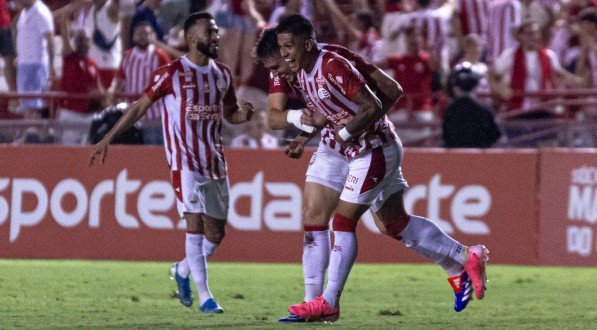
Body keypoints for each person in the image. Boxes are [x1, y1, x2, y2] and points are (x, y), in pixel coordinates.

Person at [275, 14, 488, 322]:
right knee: (394, 224)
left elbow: (373, 104)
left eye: (288, 46)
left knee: (343, 222)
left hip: (373, 150)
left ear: (307, 44)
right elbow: (331, 112)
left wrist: (346, 133)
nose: (285, 54)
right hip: (365, 150)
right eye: (282, 48)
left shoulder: (331, 65)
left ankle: (329, 303)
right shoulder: (305, 72)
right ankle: (463, 257)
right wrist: (304, 136)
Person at [88, 12, 254, 314]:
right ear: (192, 38)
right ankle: (206, 297)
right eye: (210, 32)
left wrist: (244, 115)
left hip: (215, 162)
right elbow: (139, 107)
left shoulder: (222, 74)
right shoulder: (172, 73)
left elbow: (230, 112)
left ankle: (182, 269)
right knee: (193, 223)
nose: (216, 37)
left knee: (215, 234)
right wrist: (108, 138)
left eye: (216, 32)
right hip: (184, 162)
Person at [253, 28, 420, 321]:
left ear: (292, 49)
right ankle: (312, 304)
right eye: (272, 70)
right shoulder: (287, 68)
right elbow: (276, 116)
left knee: (383, 225)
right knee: (314, 216)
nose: (280, 74)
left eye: (279, 65)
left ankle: (328, 303)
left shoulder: (334, 59)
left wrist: (357, 127)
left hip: (367, 145)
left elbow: (389, 90)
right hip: (334, 144)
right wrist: (302, 128)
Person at [109, 21, 170, 145]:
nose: (142, 36)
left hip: (154, 114)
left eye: (146, 33)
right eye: (139, 33)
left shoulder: (160, 55)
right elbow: (119, 79)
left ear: (152, 35)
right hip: (132, 113)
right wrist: (113, 91)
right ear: (134, 36)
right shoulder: (127, 56)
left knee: (153, 151)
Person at [57, 13, 106, 145]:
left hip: (87, 114)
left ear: (90, 41)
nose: (82, 42)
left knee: (85, 149)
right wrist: (66, 18)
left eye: (85, 39)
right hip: (70, 113)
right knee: (68, 150)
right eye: (79, 39)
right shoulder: (70, 58)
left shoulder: (93, 64)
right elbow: (65, 36)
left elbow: (100, 89)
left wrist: (103, 97)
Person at [443, 65, 501, 148]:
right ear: (475, 86)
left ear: (455, 88)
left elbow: (446, 137)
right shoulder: (484, 110)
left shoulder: (450, 111)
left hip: (457, 158)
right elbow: (495, 135)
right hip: (480, 157)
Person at [15, 0, 54, 119]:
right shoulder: (23, 13)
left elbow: (50, 41)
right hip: (24, 65)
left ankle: (33, 135)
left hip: (36, 66)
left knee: (34, 106)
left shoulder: (41, 12)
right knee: (26, 105)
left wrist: (51, 67)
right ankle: (28, 134)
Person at [83, 0, 121, 89]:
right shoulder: (91, 10)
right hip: (94, 64)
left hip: (111, 65)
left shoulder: (111, 6)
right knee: (95, 100)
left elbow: (118, 4)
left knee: (110, 99)